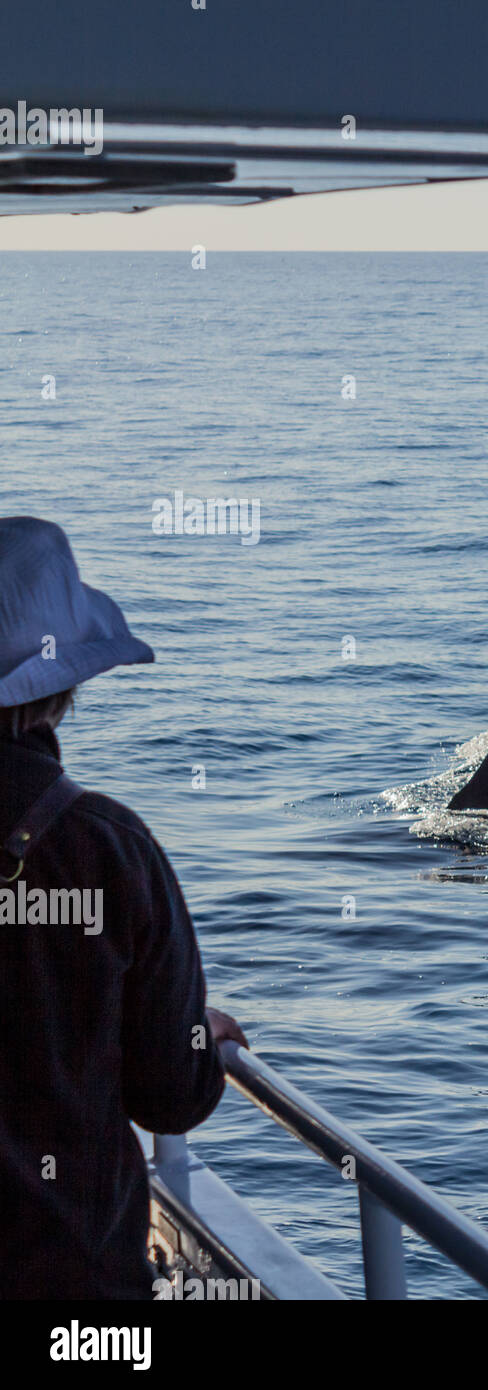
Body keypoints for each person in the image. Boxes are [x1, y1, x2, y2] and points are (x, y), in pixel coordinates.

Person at [0, 516, 246, 1299]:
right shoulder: (108, 848)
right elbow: (168, 1093)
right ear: (62, 687)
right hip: (73, 1286)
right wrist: (201, 1038)